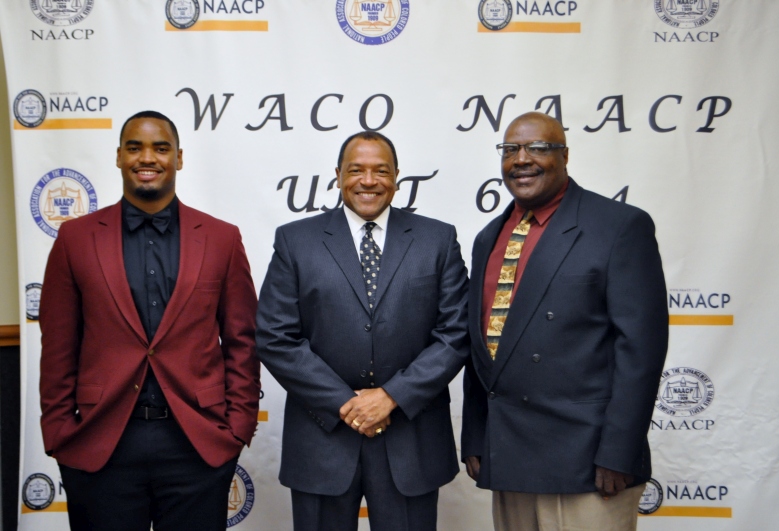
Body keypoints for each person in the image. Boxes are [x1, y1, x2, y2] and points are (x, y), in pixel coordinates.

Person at [39, 110, 261, 531]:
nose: (147, 158)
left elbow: (242, 341)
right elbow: (58, 346)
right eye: (135, 147)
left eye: (160, 148)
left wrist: (237, 427)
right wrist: (60, 431)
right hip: (101, 444)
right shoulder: (75, 238)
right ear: (119, 157)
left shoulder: (221, 238)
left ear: (178, 158)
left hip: (197, 443)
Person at [461, 112, 669, 531]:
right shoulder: (489, 237)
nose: (522, 159)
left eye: (538, 148)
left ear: (565, 156)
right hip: (509, 456)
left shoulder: (618, 226)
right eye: (510, 150)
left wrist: (620, 451)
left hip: (588, 462)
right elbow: (482, 346)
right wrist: (476, 435)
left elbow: (641, 351)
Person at [257, 131, 469, 531]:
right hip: (322, 440)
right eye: (356, 170)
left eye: (380, 171)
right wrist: (345, 404)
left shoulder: (438, 239)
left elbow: (455, 334)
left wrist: (391, 396)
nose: (368, 181)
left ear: (397, 177)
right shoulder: (295, 240)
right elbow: (275, 336)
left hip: (410, 443)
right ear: (338, 175)